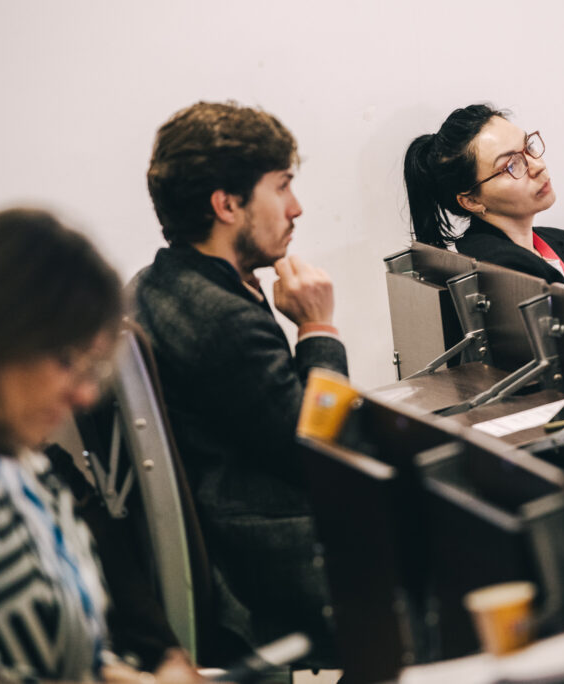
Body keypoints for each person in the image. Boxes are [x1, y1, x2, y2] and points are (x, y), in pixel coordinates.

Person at [0, 208, 201, 682]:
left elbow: (62, 659)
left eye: (91, 367)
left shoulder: (21, 461)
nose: (85, 395)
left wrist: (127, 676)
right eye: (66, 360)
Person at [133, 101, 348, 660]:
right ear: (227, 204)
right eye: (282, 187)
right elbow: (322, 452)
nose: (296, 208)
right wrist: (318, 328)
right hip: (274, 575)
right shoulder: (222, 319)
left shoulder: (160, 285)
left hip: (239, 547)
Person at [403, 103, 564, 298]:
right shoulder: (502, 272)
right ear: (471, 201)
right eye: (511, 166)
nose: (537, 165)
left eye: (529, 147)